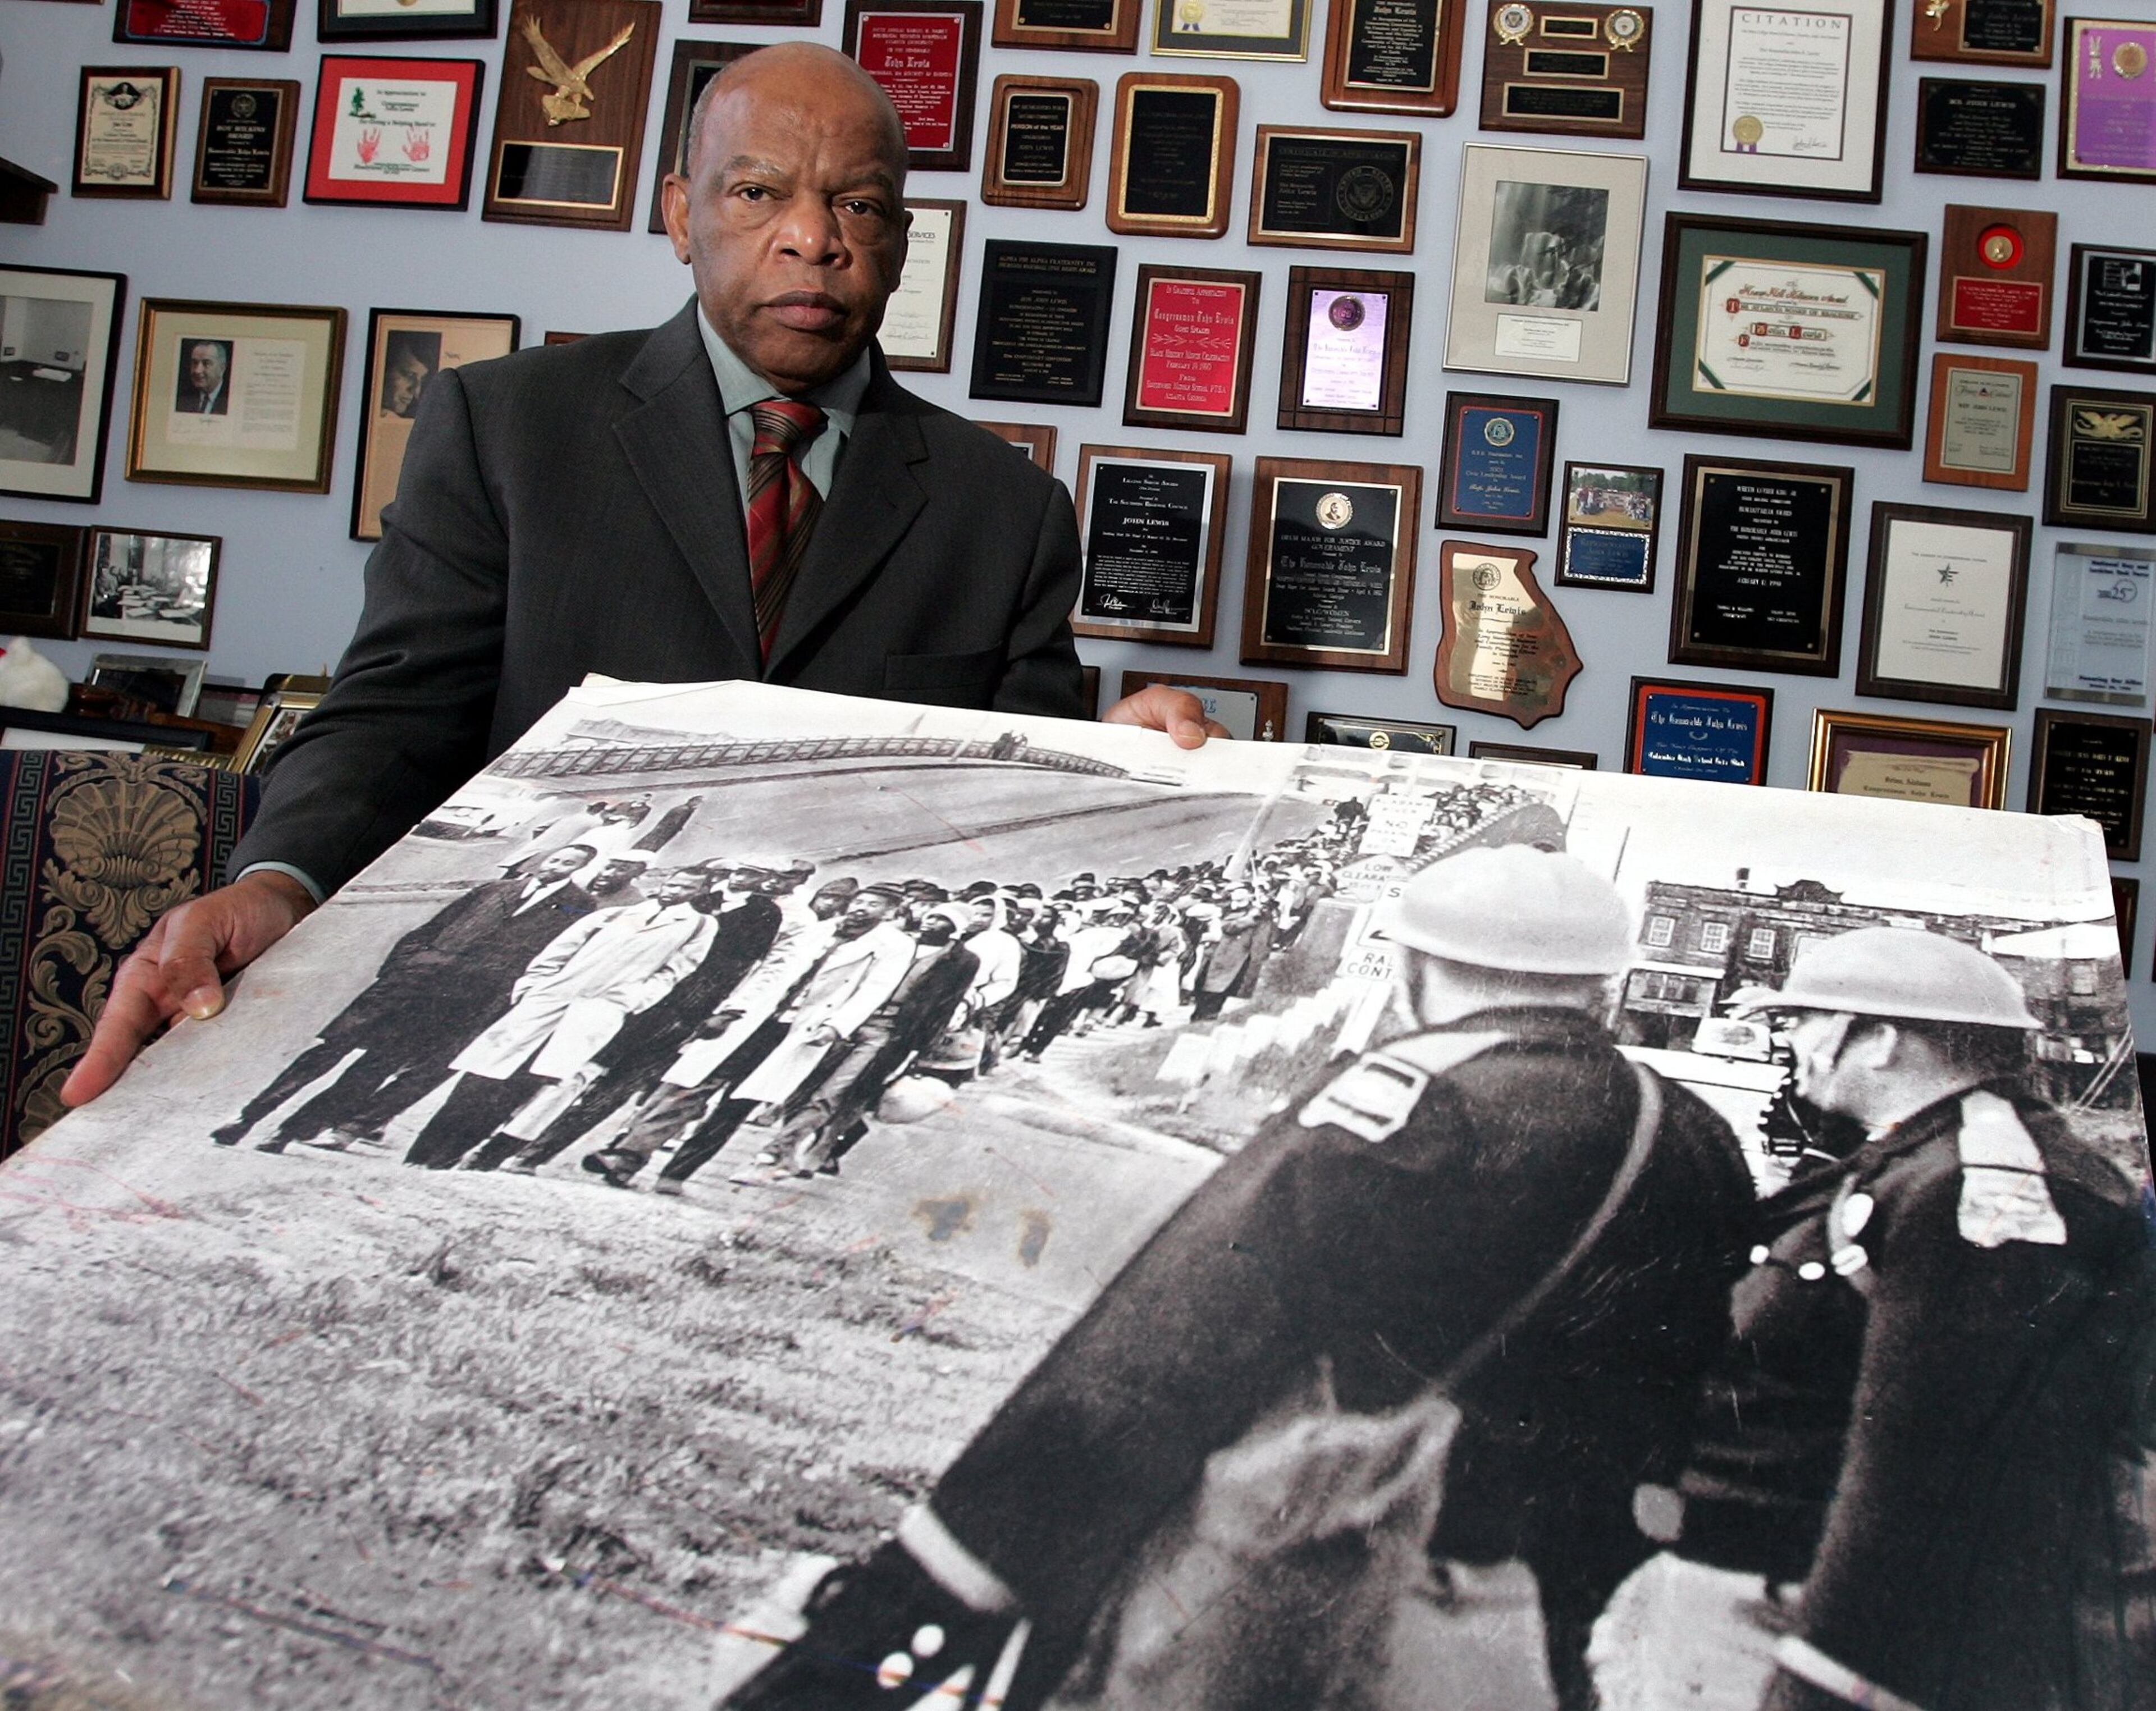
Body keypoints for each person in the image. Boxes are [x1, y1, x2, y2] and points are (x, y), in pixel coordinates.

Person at [62, 40, 1220, 1113]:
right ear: (681, 214)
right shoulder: (505, 426)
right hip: (536, 977)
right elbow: (392, 716)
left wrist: (1115, 761)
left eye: (859, 205)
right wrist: (279, 883)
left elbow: (1006, 822)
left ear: (902, 241)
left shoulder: (1006, 510)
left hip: (786, 1021)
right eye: (758, 193)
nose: (814, 239)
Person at [719, 846, 1758, 1711]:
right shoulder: (1697, 1137)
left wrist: (953, 1569)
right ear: (1605, 984)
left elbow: (1166, 1345)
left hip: (1295, 1571)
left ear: (1414, 969)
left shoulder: (1408, 1097)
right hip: (1514, 1614)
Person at [1589, 927, 2156, 1711]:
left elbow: (1931, 1465)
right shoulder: (1913, 1160)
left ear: (1881, 1039)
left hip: (1802, 1624)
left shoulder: (1982, 1186)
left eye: (1804, 1019)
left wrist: (1832, 1675)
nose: (1787, 1038)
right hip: (1748, 1592)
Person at [206, 841, 599, 1153]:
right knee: (324, 1054)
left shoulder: (578, 908)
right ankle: (247, 1119)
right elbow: (428, 931)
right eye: (556, 857)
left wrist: (495, 996)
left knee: (371, 1072)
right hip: (405, 986)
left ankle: (286, 1134)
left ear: (578, 870)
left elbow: (550, 959)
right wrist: (406, 967)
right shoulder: (495, 890)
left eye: (567, 864)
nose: (555, 866)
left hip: (457, 1002)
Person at [175, 340, 229, 415]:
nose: (198, 371)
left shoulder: (232, 399)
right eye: (195, 363)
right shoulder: (183, 399)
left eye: (206, 364)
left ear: (222, 368)